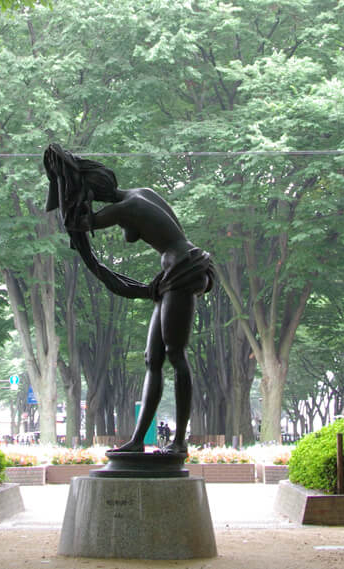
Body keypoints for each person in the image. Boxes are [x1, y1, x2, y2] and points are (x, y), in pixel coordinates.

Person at [44, 144, 213, 455]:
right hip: (175, 272)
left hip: (182, 272)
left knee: (175, 354)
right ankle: (137, 441)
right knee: (153, 358)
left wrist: (67, 188)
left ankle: (179, 442)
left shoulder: (126, 208)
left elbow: (81, 224)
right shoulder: (143, 193)